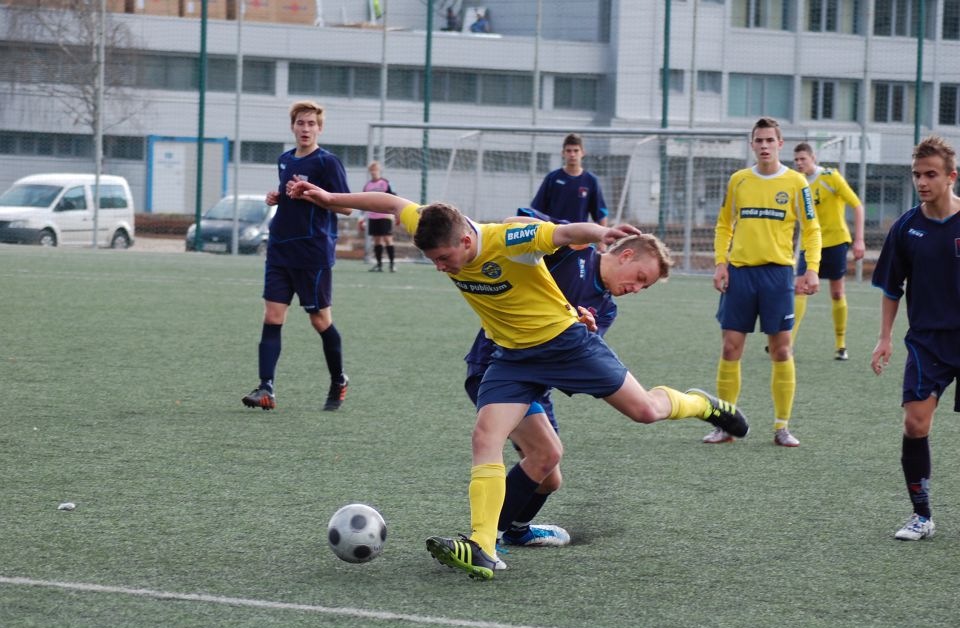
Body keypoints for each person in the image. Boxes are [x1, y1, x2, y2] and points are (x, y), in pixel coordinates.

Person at [287, 181, 750, 581]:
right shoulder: (436, 227)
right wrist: (328, 198)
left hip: (565, 345)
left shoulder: (510, 239)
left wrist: (601, 232)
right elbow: (390, 203)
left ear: (468, 241)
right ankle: (482, 546)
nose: (442, 267)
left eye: (446, 258)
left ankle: (701, 404)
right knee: (487, 437)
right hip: (510, 357)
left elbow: (565, 233)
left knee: (646, 411)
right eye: (434, 260)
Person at [464, 207, 665, 560]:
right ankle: (484, 540)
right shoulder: (575, 250)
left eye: (644, 287)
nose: (636, 289)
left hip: (539, 379)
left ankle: (513, 530)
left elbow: (575, 357)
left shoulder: (607, 309)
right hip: (499, 363)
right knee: (541, 454)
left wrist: (584, 328)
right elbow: (512, 226)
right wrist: (586, 231)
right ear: (627, 254)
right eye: (639, 277)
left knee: (549, 477)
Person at [707, 117, 821, 447]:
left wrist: (811, 268)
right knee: (730, 346)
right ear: (752, 144)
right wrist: (720, 264)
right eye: (759, 140)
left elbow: (812, 230)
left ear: (780, 144)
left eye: (770, 140)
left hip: (778, 275)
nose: (765, 146)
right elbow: (723, 226)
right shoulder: (738, 181)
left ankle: (782, 426)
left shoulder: (797, 182)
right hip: (741, 273)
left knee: (781, 349)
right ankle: (725, 425)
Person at [871, 135, 960, 541]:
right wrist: (885, 338)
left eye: (930, 175)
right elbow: (893, 287)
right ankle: (921, 516)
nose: (922, 182)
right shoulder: (906, 227)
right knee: (915, 423)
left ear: (950, 177)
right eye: (916, 175)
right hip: (927, 341)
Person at [241, 101, 352, 413]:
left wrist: (313, 193)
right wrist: (276, 198)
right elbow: (290, 196)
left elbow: (345, 206)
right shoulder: (284, 159)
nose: (306, 129)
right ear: (293, 126)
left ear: (320, 128)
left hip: (312, 253)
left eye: (312, 124)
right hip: (280, 249)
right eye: (301, 123)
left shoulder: (328, 163)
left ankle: (338, 380)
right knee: (272, 316)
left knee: (319, 321)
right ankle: (266, 387)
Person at [791, 142, 866, 360]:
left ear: (813, 157)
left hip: (835, 241)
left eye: (803, 158)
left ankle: (841, 345)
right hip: (809, 244)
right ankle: (788, 342)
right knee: (799, 288)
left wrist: (859, 240)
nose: (799, 163)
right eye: (796, 160)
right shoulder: (796, 183)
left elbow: (857, 205)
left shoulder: (831, 177)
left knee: (836, 292)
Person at [532, 133, 609, 227]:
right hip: (554, 235)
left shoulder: (591, 180)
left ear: (582, 153)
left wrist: (602, 239)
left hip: (578, 237)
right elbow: (537, 210)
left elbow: (601, 214)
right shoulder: (552, 178)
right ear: (563, 153)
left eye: (576, 151)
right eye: (568, 151)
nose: (572, 154)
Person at [361, 161, 398, 273]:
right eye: (372, 170)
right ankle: (379, 265)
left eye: (375, 169)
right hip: (373, 216)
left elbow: (394, 197)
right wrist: (361, 217)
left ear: (379, 170)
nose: (373, 172)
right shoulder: (367, 185)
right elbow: (363, 201)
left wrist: (396, 214)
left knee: (388, 239)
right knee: (377, 240)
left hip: (385, 215)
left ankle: (392, 264)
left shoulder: (386, 183)